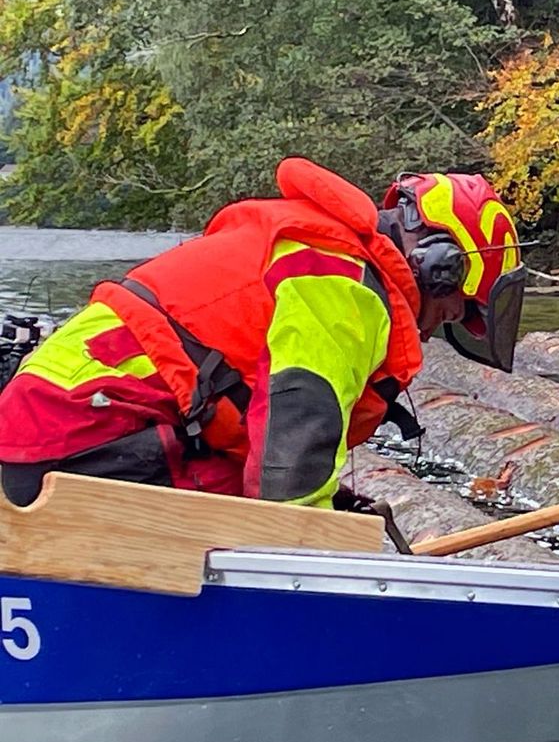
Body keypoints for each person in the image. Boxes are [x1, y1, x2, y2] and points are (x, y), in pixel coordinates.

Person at [0, 157, 526, 509]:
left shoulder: (318, 252)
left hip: (62, 426)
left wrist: (336, 508)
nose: (438, 328)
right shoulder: (340, 284)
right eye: (454, 311)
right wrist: (310, 559)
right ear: (440, 266)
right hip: (80, 439)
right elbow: (297, 434)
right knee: (273, 525)